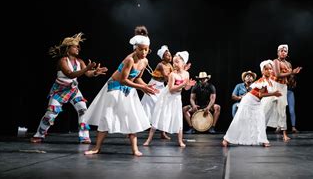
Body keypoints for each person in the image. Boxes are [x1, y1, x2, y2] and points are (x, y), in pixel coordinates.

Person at [84, 26, 158, 156]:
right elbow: (123, 80)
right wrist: (142, 88)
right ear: (135, 48)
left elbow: (137, 78)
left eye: (147, 50)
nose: (144, 52)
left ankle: (135, 149)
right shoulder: (130, 59)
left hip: (129, 89)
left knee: (131, 117)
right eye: (141, 49)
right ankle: (96, 147)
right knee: (107, 117)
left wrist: (146, 86)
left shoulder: (145, 61)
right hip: (114, 88)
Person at [30, 32, 108, 144]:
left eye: (78, 47)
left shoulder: (80, 61)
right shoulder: (62, 61)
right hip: (60, 90)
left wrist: (94, 72)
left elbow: (87, 74)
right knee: (52, 112)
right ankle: (39, 135)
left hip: (73, 90)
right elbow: (70, 74)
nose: (78, 48)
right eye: (75, 46)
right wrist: (87, 69)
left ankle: (84, 137)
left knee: (83, 110)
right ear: (68, 48)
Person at [222, 60, 282, 147]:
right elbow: (260, 94)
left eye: (270, 69)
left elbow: (260, 95)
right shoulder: (263, 81)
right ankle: (226, 139)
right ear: (262, 71)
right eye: (267, 69)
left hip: (256, 102)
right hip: (248, 101)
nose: (269, 71)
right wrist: (274, 93)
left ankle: (263, 140)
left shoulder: (268, 80)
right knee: (240, 119)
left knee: (260, 120)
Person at [143, 51, 195, 147]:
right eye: (174, 62)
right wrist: (184, 84)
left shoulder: (186, 74)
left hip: (177, 98)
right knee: (159, 116)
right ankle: (148, 140)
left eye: (177, 62)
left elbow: (185, 88)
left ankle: (180, 141)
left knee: (178, 118)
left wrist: (188, 85)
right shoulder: (172, 75)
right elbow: (171, 89)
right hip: (166, 98)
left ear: (183, 63)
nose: (174, 64)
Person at [261, 44, 302, 141]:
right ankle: (260, 131)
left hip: (283, 87)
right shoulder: (275, 61)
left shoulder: (288, 64)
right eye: (281, 51)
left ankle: (284, 134)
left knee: (282, 110)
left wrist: (293, 77)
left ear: (287, 53)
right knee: (266, 108)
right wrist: (292, 73)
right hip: (274, 86)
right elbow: (278, 74)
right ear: (278, 52)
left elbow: (288, 77)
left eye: (285, 51)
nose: (283, 52)